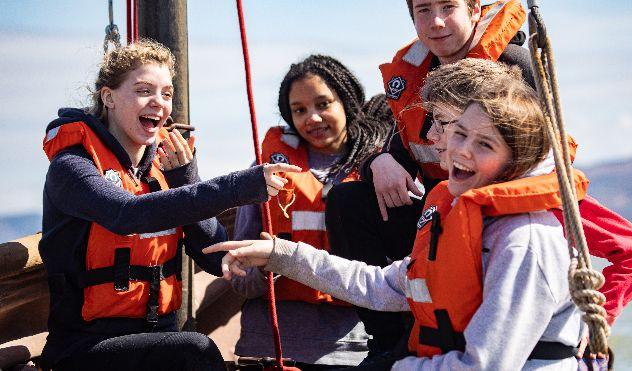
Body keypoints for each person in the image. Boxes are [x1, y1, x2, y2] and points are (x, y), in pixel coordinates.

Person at [207, 59, 595, 370]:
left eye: (484, 143)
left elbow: (487, 364)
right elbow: (381, 286)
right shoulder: (455, 212)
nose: (456, 150)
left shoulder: (524, 240)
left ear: (517, 157)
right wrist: (281, 255)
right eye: (455, 133)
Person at [324, 0, 632, 357]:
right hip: (440, 218)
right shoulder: (416, 82)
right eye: (423, 9)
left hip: (496, 220)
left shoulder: (517, 89)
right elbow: (405, 143)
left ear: (474, 11)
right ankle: (393, 343)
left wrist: (596, 320)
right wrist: (381, 159)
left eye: (448, 6)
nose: (436, 21)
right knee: (348, 200)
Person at [38, 40, 300, 371]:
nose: (159, 103)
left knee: (188, 348)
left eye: (166, 93)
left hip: (158, 337)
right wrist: (241, 185)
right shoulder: (71, 167)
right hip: (85, 346)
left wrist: (186, 179)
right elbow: (127, 214)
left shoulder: (164, 167)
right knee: (195, 350)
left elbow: (212, 252)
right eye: (144, 90)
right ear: (109, 98)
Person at [230, 55, 393, 369]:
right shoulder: (264, 172)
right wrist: (266, 266)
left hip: (356, 350)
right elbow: (241, 280)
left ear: (347, 101)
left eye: (323, 104)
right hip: (270, 349)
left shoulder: (381, 170)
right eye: (299, 110)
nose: (313, 118)